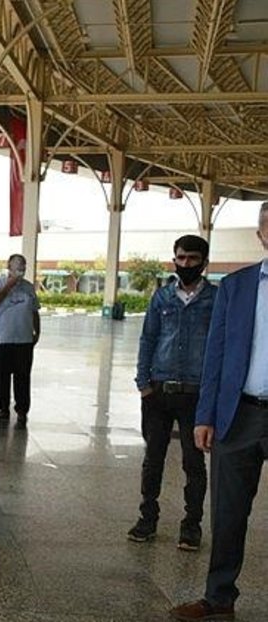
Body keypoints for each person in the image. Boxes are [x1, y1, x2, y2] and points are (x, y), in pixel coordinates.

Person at [170, 204, 268, 622]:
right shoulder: (238, 286)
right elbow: (216, 354)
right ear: (262, 233)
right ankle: (219, 599)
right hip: (239, 414)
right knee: (227, 513)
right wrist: (204, 415)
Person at [129, 235, 214, 551]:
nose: (186, 264)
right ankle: (147, 518)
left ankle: (191, 525)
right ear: (174, 259)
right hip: (159, 391)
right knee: (153, 459)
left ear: (204, 261)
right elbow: (147, 339)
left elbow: (221, 346)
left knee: (194, 463)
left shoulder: (216, 299)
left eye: (193, 259)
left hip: (197, 393)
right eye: (181, 258)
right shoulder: (162, 297)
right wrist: (143, 383)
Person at [0, 254, 41, 429]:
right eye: (17, 267)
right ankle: (3, 409)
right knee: (1, 376)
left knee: (23, 377)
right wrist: (8, 286)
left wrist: (37, 331)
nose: (20, 271)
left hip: (23, 340)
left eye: (23, 267)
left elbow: (34, 311)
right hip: (0, 339)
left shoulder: (28, 287)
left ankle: (22, 411)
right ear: (9, 267)